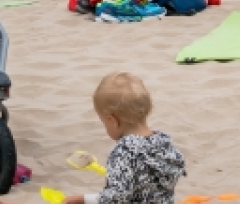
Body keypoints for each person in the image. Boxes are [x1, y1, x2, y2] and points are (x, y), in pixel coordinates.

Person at [62, 72, 185, 204]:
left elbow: (117, 196)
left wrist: (83, 199)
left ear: (113, 120)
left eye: (105, 123)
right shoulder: (164, 142)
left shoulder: (124, 151)